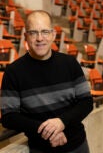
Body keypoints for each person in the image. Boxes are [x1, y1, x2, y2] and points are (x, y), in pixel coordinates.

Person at [0, 10, 93, 153]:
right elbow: (9, 117)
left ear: (53, 35)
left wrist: (61, 122)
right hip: (40, 149)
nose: (39, 38)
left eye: (45, 32)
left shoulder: (70, 63)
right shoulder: (13, 72)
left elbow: (86, 102)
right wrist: (48, 130)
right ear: (26, 36)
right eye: (33, 33)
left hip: (77, 146)